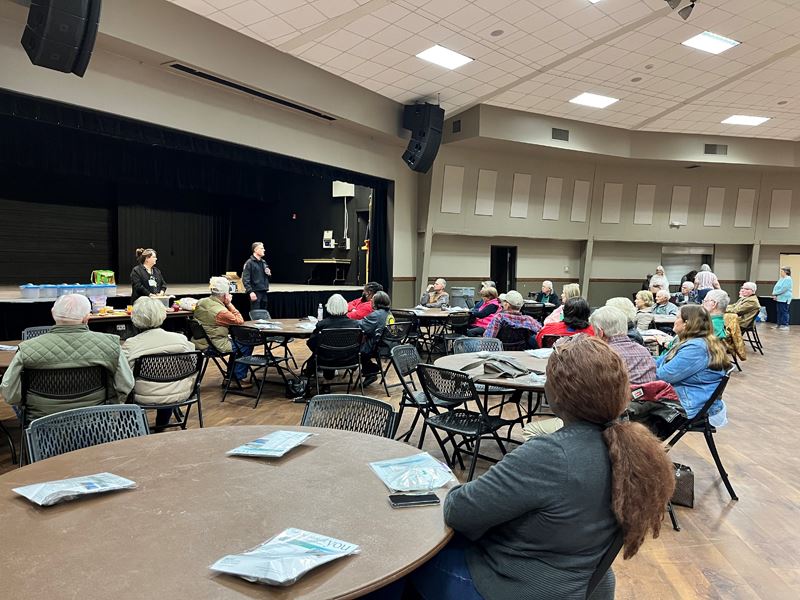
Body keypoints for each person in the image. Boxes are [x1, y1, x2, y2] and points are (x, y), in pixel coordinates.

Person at [409, 334, 674, 600]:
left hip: (520, 585)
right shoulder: (636, 448)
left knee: (409, 563)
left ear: (555, 394)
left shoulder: (551, 455)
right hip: (585, 582)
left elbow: (459, 511)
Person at [524, 307, 657, 439]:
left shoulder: (601, 356)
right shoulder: (644, 352)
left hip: (602, 425)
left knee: (531, 429)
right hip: (640, 422)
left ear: (600, 332)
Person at [1, 294, 134, 420]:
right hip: (96, 420)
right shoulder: (110, 345)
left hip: (42, 422)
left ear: (53, 314)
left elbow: (9, 392)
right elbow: (126, 384)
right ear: (87, 318)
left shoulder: (27, 348)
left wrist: (25, 405)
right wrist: (113, 403)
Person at [122, 297, 196, 430]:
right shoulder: (181, 340)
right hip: (178, 393)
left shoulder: (131, 345)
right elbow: (193, 366)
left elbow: (124, 375)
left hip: (143, 396)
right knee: (167, 382)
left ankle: (137, 426)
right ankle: (162, 425)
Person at [656, 304, 730, 427]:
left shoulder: (696, 348)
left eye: (677, 317)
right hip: (693, 400)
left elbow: (664, 376)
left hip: (694, 407)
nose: (674, 321)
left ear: (687, 323)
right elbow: (659, 361)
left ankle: (645, 445)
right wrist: (643, 364)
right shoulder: (691, 341)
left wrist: (640, 371)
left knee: (636, 411)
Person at [192, 276, 252, 385]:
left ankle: (231, 376)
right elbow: (240, 320)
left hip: (200, 342)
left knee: (237, 343)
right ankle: (236, 379)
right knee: (245, 343)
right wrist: (229, 304)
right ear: (225, 295)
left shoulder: (201, 302)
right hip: (213, 346)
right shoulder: (221, 312)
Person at [304, 294, 356, 383]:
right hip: (349, 360)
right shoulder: (355, 325)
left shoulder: (322, 324)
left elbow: (311, 343)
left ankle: (314, 376)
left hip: (325, 360)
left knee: (317, 353)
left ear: (329, 307)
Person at [358, 291, 394, 387]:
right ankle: (371, 370)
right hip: (390, 345)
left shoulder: (376, 315)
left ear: (376, 302)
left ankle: (371, 371)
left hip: (379, 347)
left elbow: (362, 326)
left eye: (372, 300)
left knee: (356, 350)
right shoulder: (389, 313)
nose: (370, 302)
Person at [242, 242, 271, 312]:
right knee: (256, 313)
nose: (264, 250)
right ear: (255, 250)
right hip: (255, 292)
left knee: (263, 313)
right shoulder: (249, 263)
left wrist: (269, 274)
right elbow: (245, 279)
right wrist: (250, 292)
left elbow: (266, 277)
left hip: (264, 291)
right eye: (262, 248)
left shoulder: (263, 262)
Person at [772, 266, 793, 331]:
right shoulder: (781, 278)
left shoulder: (788, 279)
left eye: (782, 271)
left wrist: (776, 293)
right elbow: (776, 287)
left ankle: (785, 325)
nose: (780, 272)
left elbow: (784, 289)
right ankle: (779, 324)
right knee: (779, 312)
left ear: (785, 272)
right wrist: (774, 294)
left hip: (785, 298)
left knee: (784, 311)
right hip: (779, 298)